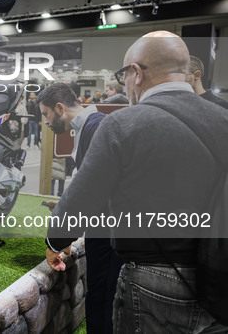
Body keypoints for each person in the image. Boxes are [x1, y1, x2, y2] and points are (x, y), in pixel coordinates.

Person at [45, 31, 228, 333]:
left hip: (153, 281)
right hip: (219, 280)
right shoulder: (222, 119)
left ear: (137, 73)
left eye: (123, 75)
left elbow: (81, 201)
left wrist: (55, 242)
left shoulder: (122, 124)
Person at [37, 82, 123, 334]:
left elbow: (91, 195)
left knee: (104, 302)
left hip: (110, 237)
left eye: (46, 114)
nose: (46, 122)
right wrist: (64, 204)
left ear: (60, 107)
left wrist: (55, 243)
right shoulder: (90, 126)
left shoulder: (95, 129)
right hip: (107, 233)